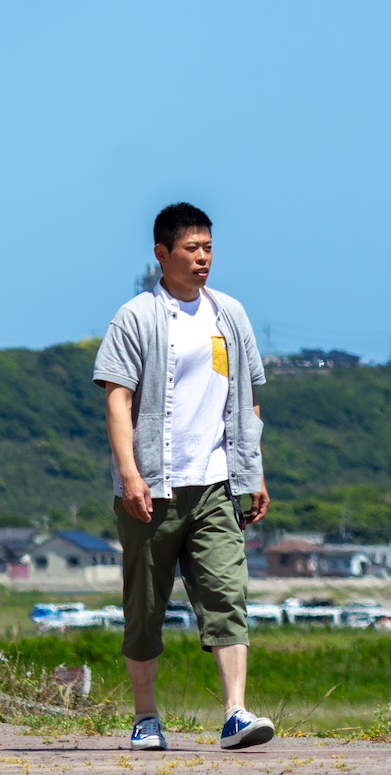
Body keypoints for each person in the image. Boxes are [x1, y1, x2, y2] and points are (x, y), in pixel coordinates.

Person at [93, 203, 274, 752]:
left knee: (227, 594)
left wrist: (254, 472)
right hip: (154, 488)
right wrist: (130, 475)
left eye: (209, 249)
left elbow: (249, 398)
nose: (202, 260)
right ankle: (146, 718)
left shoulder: (230, 314)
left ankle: (236, 714)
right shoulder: (136, 317)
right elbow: (118, 402)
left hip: (217, 483)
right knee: (145, 608)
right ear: (161, 254)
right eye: (191, 250)